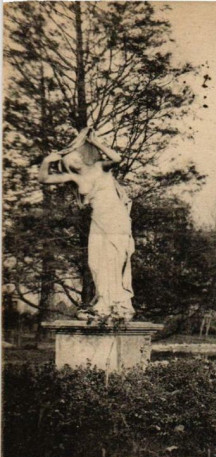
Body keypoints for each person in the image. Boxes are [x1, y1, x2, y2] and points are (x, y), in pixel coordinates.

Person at [39, 127, 135, 321]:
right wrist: (47, 161)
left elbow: (117, 159)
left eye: (74, 158)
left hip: (115, 217)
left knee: (113, 258)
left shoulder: (100, 166)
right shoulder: (76, 178)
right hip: (98, 219)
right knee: (95, 260)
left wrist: (96, 142)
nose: (72, 162)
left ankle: (117, 302)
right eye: (68, 163)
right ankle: (103, 300)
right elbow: (44, 178)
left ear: (82, 156)